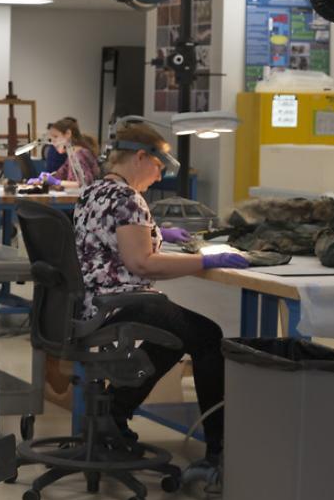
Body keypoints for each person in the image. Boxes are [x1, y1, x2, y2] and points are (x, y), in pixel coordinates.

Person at [73, 121, 248, 475]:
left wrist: (154, 230)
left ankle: (116, 412)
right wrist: (205, 259)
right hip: (122, 302)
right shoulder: (128, 199)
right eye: (158, 166)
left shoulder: (93, 192)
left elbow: (111, 239)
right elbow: (142, 263)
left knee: (174, 337)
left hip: (93, 302)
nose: (159, 176)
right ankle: (220, 451)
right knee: (208, 337)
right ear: (140, 156)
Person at [30, 117, 100, 188]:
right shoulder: (71, 155)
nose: (53, 142)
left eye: (56, 136)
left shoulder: (80, 155)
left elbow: (84, 184)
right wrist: (42, 180)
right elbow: (60, 174)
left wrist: (56, 182)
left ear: (68, 134)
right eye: (52, 139)